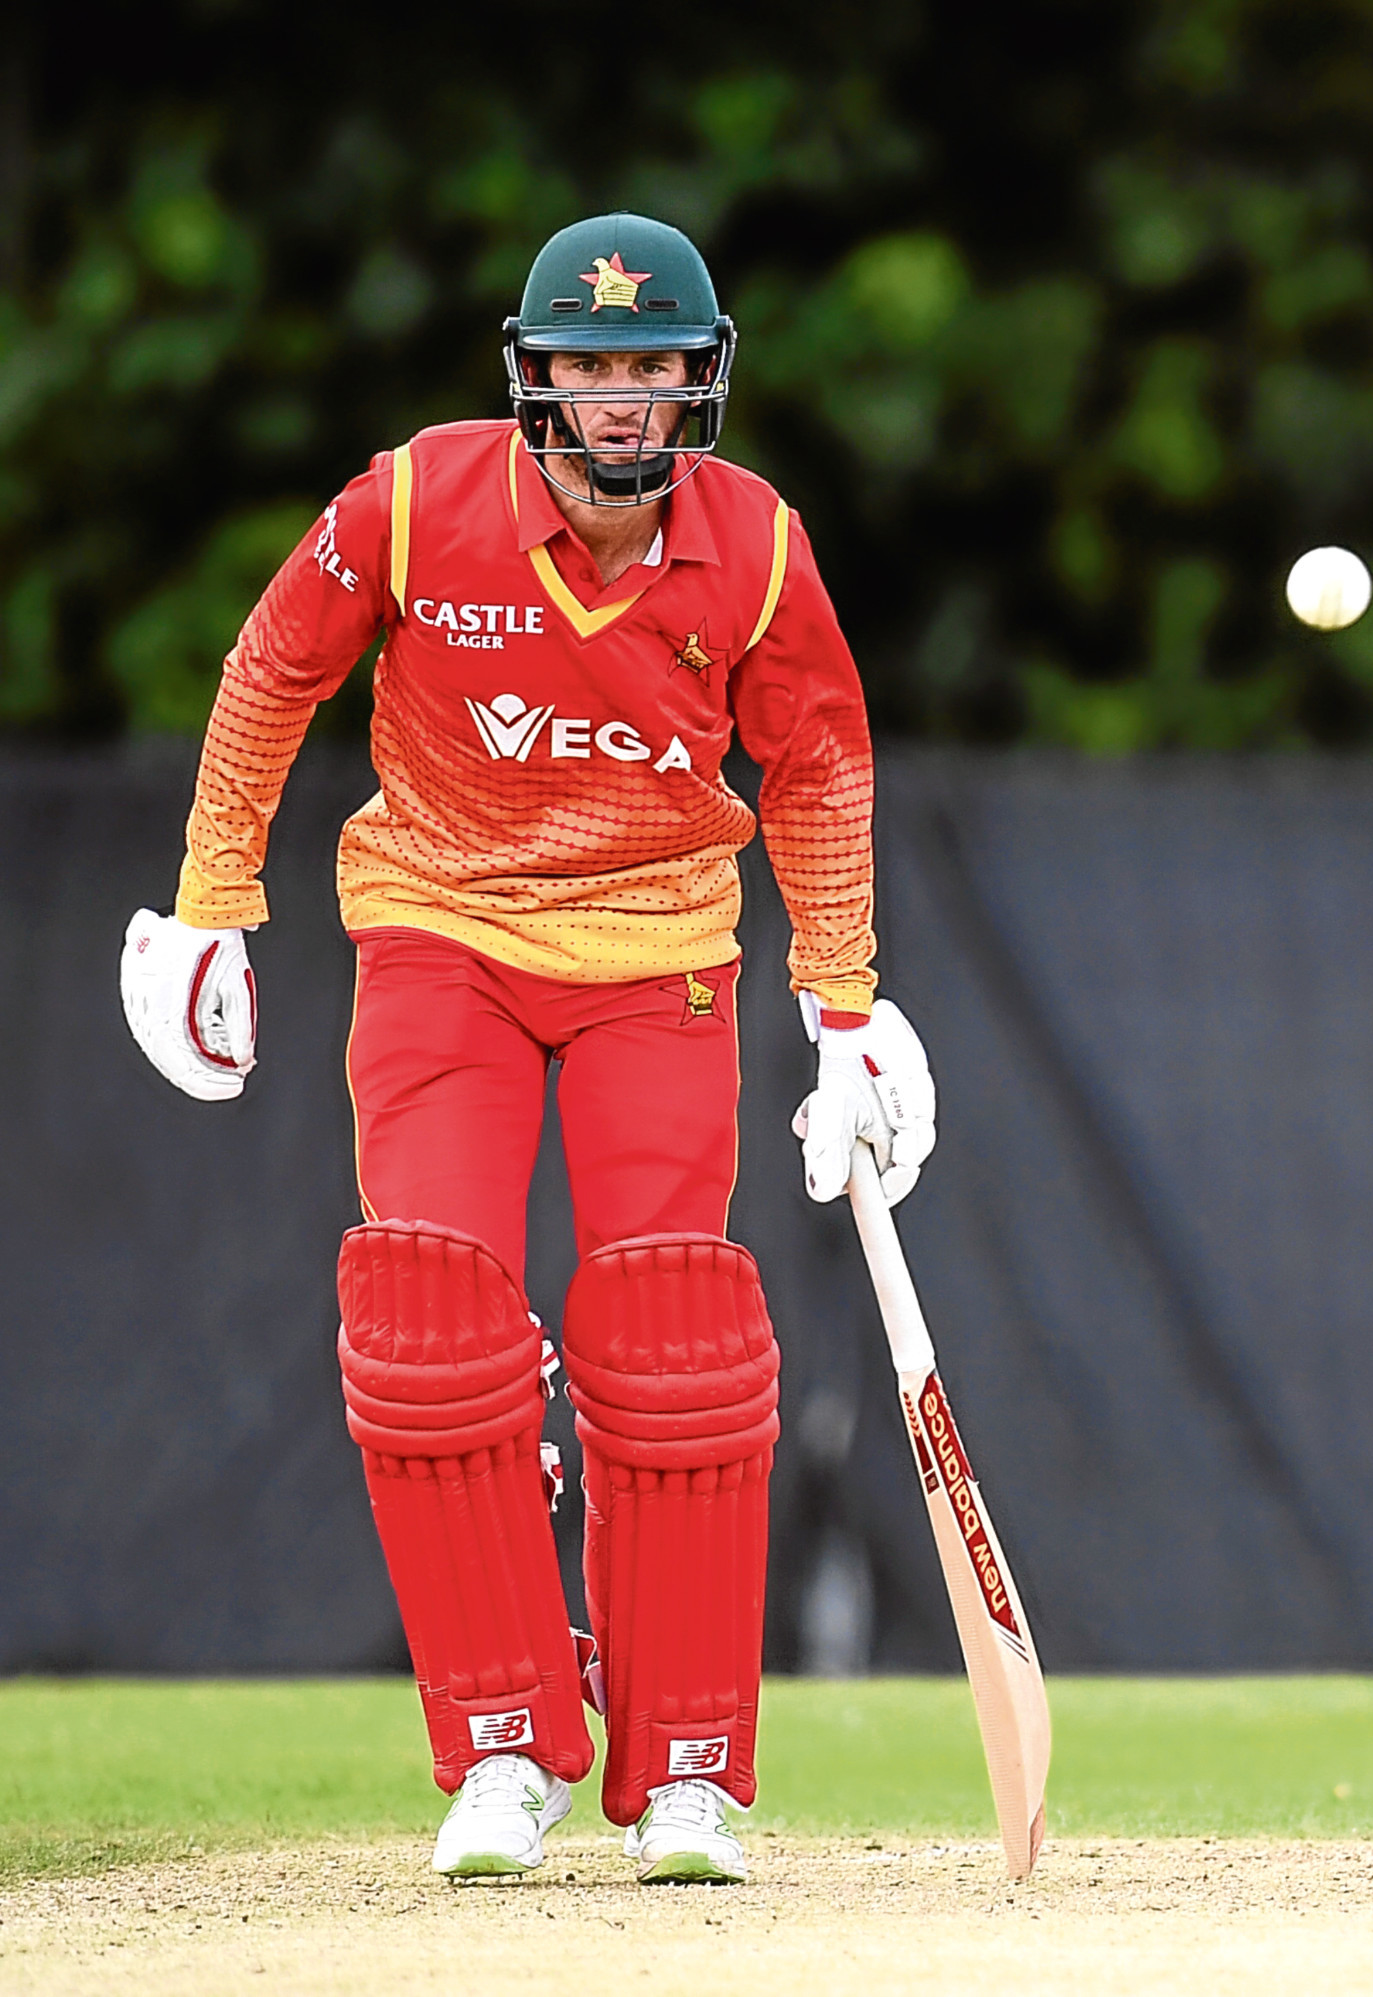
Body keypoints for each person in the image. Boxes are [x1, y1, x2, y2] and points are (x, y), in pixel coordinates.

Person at [116, 214, 937, 1885]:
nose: (622, 402)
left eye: (651, 367)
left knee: (674, 1341)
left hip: (659, 952)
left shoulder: (756, 548)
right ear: (533, 375)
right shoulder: (414, 503)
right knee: (428, 1321)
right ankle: (504, 1745)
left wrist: (844, 1011)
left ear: (697, 380)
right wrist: (213, 900)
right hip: (439, 930)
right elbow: (275, 668)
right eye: (589, 367)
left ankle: (685, 1765)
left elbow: (823, 765)